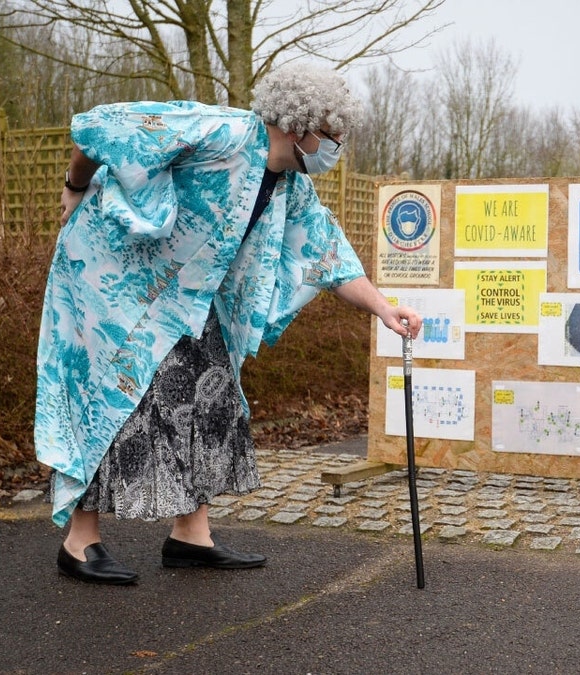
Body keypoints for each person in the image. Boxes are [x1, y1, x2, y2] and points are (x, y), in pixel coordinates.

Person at [38, 65, 423, 585]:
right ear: (298, 126)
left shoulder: (289, 183)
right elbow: (98, 128)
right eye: (331, 137)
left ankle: (190, 536)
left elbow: (324, 252)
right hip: (111, 278)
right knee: (115, 398)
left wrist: (382, 306)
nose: (336, 148)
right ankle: (79, 541)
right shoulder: (217, 131)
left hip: (185, 296)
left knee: (208, 392)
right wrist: (74, 188)